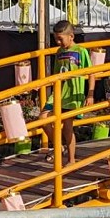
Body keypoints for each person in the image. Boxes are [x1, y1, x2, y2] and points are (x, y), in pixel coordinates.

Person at [39, 21, 93, 165]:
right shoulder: (59, 52)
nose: (58, 42)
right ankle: (58, 146)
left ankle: (71, 159)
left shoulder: (81, 51)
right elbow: (56, 74)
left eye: (60, 39)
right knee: (43, 118)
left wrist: (90, 94)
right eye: (56, 38)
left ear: (71, 36)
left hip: (73, 94)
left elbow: (92, 73)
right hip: (58, 93)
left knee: (68, 127)